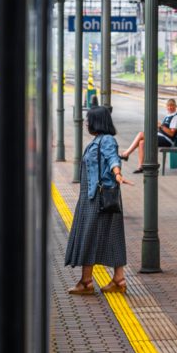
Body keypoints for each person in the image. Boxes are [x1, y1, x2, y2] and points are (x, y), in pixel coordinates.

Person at [65, 106, 133, 295]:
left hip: (99, 198)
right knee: (111, 236)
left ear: (97, 121)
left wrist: (118, 174)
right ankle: (118, 280)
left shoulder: (107, 140)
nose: (86, 123)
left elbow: (113, 159)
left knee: (89, 236)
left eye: (89, 119)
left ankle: (86, 282)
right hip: (93, 197)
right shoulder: (98, 141)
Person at [119, 98, 177, 173]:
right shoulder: (168, 116)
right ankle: (141, 167)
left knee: (141, 134)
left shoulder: (176, 117)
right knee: (142, 142)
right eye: (168, 106)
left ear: (175, 106)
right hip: (161, 137)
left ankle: (126, 154)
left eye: (172, 106)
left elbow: (171, 133)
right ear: (166, 107)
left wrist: (161, 126)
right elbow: (163, 129)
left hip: (167, 140)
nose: (170, 107)